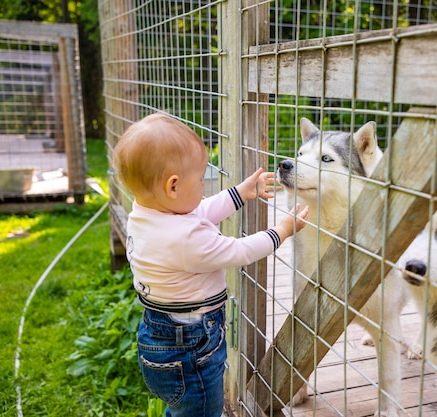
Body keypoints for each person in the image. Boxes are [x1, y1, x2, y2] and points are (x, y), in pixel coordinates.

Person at [112, 113, 309, 417]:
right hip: (191, 349)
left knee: (183, 410)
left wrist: (241, 193)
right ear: (173, 187)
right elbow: (239, 250)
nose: (204, 187)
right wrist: (280, 230)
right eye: (201, 179)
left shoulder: (147, 214)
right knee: (202, 410)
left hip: (158, 338)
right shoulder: (185, 240)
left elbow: (200, 211)